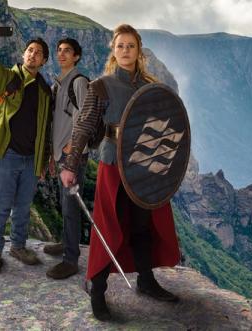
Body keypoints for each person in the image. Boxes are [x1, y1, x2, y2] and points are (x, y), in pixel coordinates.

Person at [60, 24, 180, 321]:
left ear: (139, 51)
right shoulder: (101, 86)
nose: (126, 51)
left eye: (131, 46)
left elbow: (166, 128)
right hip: (113, 162)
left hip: (144, 166)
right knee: (107, 227)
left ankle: (146, 281)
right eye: (120, 46)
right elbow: (84, 127)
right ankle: (98, 291)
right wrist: (70, 166)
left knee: (142, 225)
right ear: (113, 51)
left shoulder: (150, 87)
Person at [0, 24, 52, 273]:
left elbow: (46, 129)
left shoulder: (44, 91)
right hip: (8, 155)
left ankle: (18, 246)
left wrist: (43, 160)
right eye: (30, 50)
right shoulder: (10, 79)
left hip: (31, 159)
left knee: (22, 206)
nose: (33, 54)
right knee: (0, 205)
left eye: (38, 52)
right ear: (24, 55)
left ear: (43, 61)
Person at [43, 38, 90, 279]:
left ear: (77, 56)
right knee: (65, 203)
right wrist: (54, 155)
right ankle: (66, 242)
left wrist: (70, 153)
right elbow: (58, 123)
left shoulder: (79, 82)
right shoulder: (59, 83)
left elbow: (84, 119)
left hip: (73, 156)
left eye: (67, 51)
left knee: (71, 206)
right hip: (61, 154)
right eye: (59, 51)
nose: (61, 54)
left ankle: (71, 260)